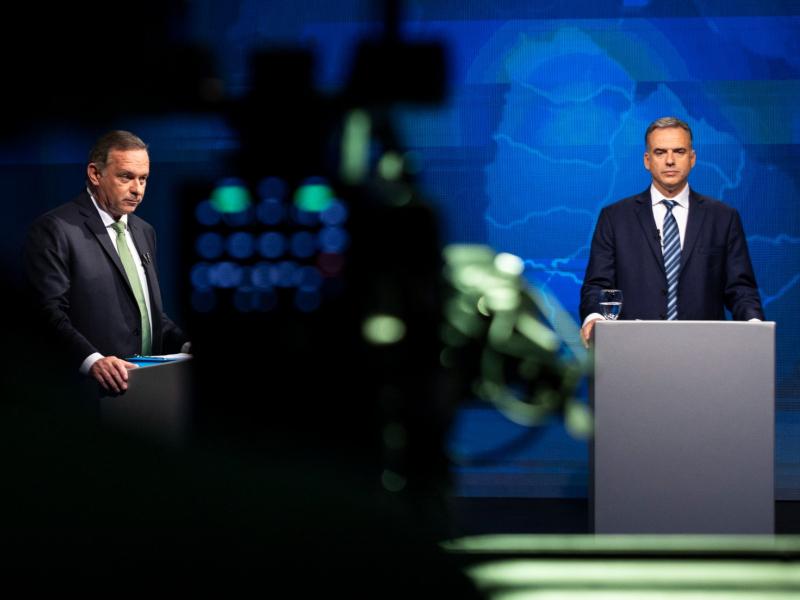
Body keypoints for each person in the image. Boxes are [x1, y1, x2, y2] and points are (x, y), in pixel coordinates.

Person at [23, 130, 189, 392]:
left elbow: (147, 313)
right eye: (126, 177)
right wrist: (92, 361)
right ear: (95, 174)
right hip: (87, 394)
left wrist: (184, 345)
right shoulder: (56, 228)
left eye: (143, 179)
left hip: (148, 390)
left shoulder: (145, 231)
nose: (137, 189)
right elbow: (47, 312)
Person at [580, 116, 764, 347]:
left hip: (705, 352)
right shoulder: (615, 218)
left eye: (678, 151)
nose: (669, 160)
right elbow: (598, 285)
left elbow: (740, 288)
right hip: (633, 352)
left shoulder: (723, 218)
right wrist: (595, 318)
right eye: (660, 152)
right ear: (647, 160)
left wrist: (755, 325)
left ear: (692, 158)